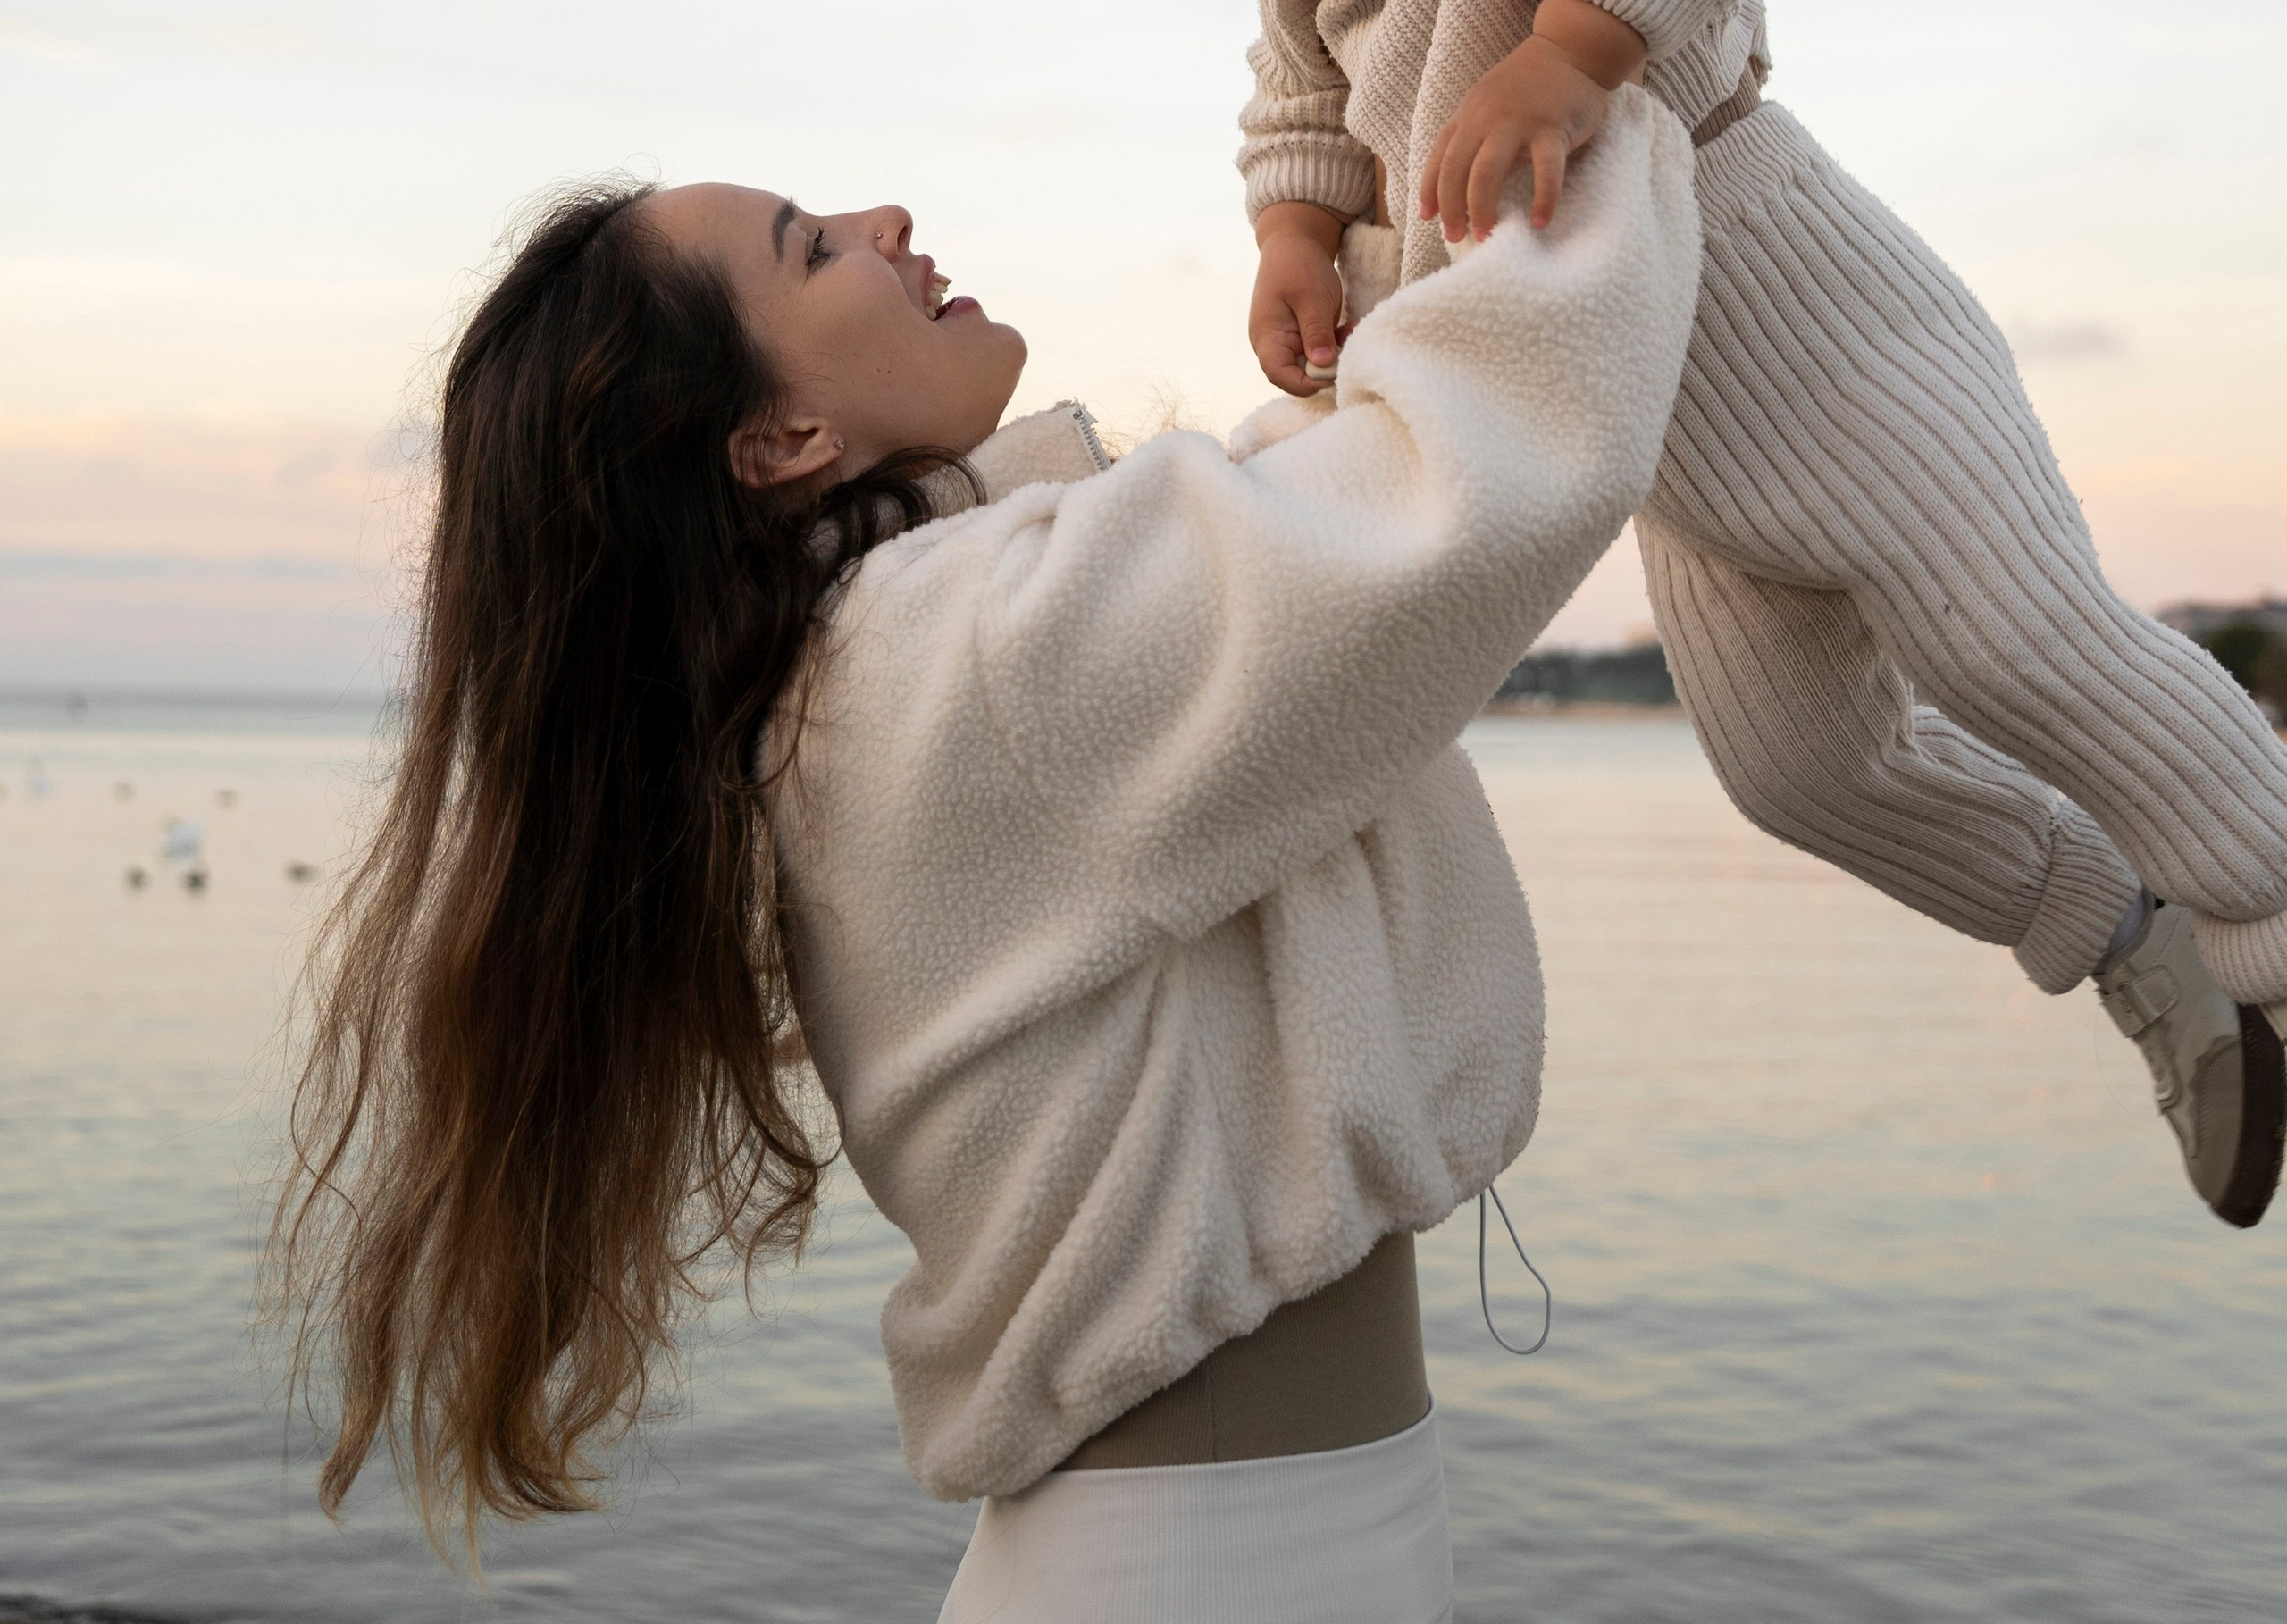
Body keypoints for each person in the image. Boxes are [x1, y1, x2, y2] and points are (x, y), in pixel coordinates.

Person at [271, 94, 1703, 1620]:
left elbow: (1314, 491)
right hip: (1217, 1560)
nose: (884, 222)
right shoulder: (954, 665)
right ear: (782, 439)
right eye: (814, 250)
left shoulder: (888, 668)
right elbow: (1467, 479)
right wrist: (1621, 94)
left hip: (1249, 1534)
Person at [1102, 0, 2287, 1234]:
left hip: (1801, 312)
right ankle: (2129, 937)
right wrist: (1289, 234)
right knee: (1795, 769)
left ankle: (2263, 923)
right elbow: (1297, 105)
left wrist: (1570, 47)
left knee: (2005, 635)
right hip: (1649, 420)